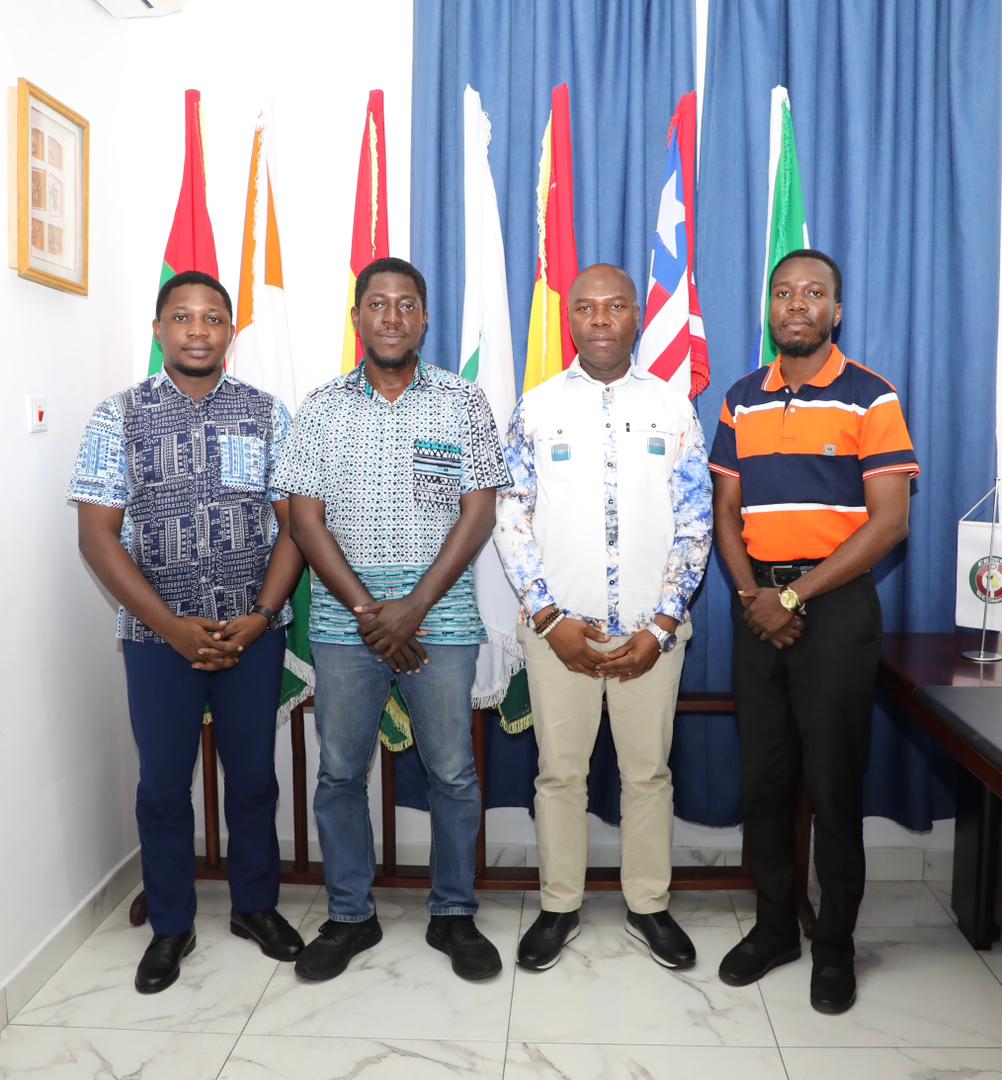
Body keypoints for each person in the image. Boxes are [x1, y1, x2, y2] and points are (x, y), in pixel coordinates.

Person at [69, 270, 305, 994]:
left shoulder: (267, 413)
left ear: (230, 332)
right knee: (164, 787)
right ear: (159, 329)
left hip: (251, 634)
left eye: (212, 318)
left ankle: (255, 907)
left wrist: (260, 616)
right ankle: (172, 924)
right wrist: (170, 628)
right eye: (182, 317)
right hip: (156, 641)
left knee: (254, 779)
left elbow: (296, 527)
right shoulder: (118, 416)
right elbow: (97, 537)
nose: (197, 330)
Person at [274, 257, 510, 982]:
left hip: (441, 617)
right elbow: (304, 521)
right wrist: (370, 614)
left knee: (453, 774)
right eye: (377, 304)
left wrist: (413, 609)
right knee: (340, 773)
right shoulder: (322, 407)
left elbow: (478, 515)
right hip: (346, 621)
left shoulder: (463, 402)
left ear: (425, 319)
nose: (392, 317)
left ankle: (453, 912)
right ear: (357, 318)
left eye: (407, 304)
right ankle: (350, 914)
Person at [709, 249, 919, 1013]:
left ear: (836, 310)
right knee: (764, 782)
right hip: (756, 606)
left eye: (813, 293)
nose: (796, 303)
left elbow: (889, 522)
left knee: (833, 785)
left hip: (834, 610)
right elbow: (726, 512)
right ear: (770, 308)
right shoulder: (740, 399)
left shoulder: (871, 396)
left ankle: (834, 947)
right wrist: (753, 596)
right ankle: (774, 929)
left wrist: (793, 597)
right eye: (783, 292)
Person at [493, 263, 712, 972]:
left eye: (615, 306)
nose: (600, 319)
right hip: (561, 633)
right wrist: (548, 617)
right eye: (586, 307)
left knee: (647, 774)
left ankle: (648, 904)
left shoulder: (673, 408)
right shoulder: (536, 409)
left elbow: (696, 521)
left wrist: (661, 626)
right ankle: (559, 906)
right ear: (571, 320)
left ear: (635, 317)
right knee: (559, 775)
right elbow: (510, 516)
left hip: (652, 634)